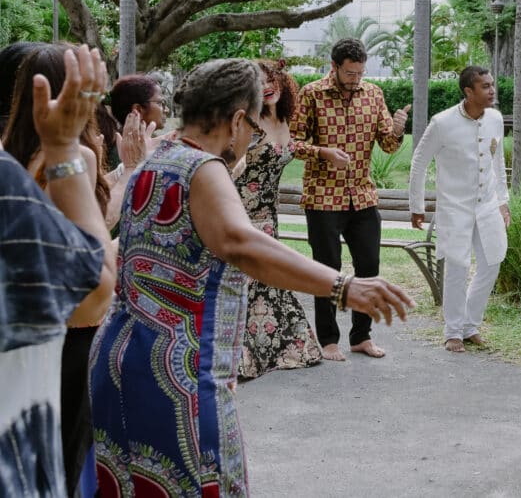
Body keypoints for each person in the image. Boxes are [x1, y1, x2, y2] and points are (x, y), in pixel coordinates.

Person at [89, 59, 414, 495]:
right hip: (177, 369)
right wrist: (345, 286)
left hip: (119, 358)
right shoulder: (202, 168)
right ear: (238, 119)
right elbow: (241, 243)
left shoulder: (154, 159)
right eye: (252, 124)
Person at [0, 45, 116, 498]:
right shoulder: (74, 157)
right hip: (73, 323)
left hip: (25, 318)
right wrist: (66, 148)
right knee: (63, 448)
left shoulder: (9, 156)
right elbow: (94, 279)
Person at [291, 38, 411, 361]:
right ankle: (328, 340)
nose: (355, 78)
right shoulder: (312, 93)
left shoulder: (373, 94)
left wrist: (398, 131)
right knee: (327, 270)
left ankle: (361, 336)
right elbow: (292, 142)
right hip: (323, 197)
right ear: (334, 67)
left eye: (359, 72)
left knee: (369, 266)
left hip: (362, 195)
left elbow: (387, 144)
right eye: (349, 73)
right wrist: (323, 153)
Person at [408, 65, 510, 352]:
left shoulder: (495, 119)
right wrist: (417, 206)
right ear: (469, 91)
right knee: (457, 266)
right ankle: (453, 330)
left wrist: (503, 202)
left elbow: (497, 162)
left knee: (493, 261)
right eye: (486, 87)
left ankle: (470, 324)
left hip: (487, 205)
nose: (492, 91)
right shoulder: (442, 123)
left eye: (492, 85)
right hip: (454, 208)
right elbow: (418, 162)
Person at [237, 60, 323, 378]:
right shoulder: (246, 123)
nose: (266, 86)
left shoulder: (281, 119)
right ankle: (239, 356)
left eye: (271, 78)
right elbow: (225, 161)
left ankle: (278, 349)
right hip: (241, 214)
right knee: (247, 285)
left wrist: (322, 153)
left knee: (269, 284)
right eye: (258, 83)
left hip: (269, 216)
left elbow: (287, 148)